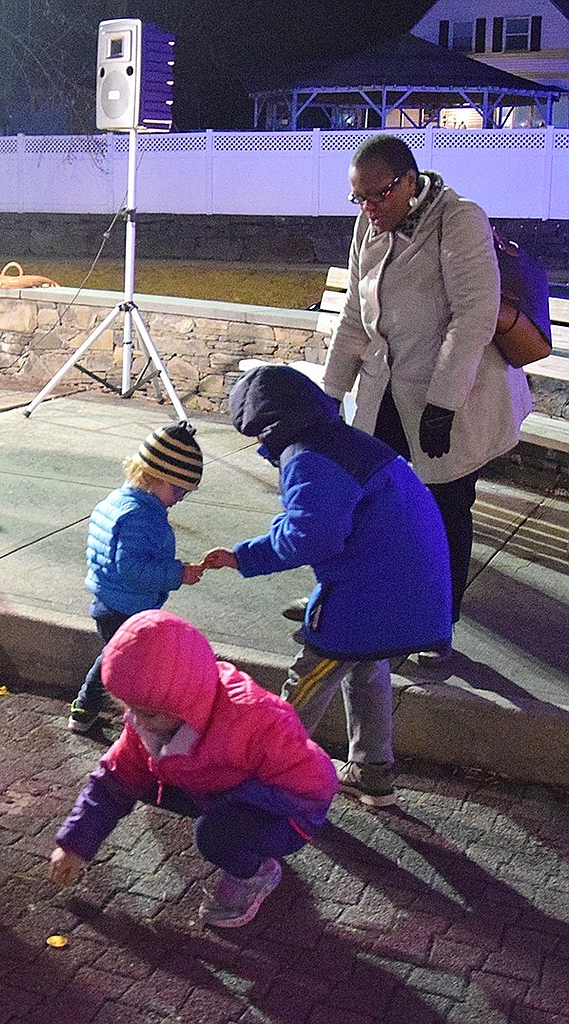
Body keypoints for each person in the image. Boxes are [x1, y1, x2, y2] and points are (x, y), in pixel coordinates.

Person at [321, 133, 531, 666]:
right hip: (386, 389)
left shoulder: (458, 219)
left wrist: (443, 402)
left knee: (444, 511)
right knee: (371, 500)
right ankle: (363, 601)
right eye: (359, 198)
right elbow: (353, 314)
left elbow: (475, 315)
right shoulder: (369, 228)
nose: (369, 208)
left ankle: (439, 623)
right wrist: (329, 393)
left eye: (379, 195)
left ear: (410, 182)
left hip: (451, 394)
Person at [200, 365, 452, 807]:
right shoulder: (346, 443)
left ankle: (270, 774)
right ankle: (372, 773)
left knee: (309, 677)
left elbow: (312, 535)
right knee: (368, 667)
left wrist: (244, 556)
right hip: (412, 591)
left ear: (266, 426)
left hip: (370, 595)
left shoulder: (308, 458)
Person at [50, 610, 339, 928]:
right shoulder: (155, 714)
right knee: (138, 778)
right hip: (219, 787)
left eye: (148, 713)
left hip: (288, 809)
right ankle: (237, 831)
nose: (136, 720)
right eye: (129, 707)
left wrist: (238, 806)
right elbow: (114, 779)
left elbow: (314, 786)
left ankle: (256, 873)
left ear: (187, 702)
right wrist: (75, 844)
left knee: (215, 836)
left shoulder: (254, 718)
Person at [68, 421, 204, 733]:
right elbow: (131, 569)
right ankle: (125, 719)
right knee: (127, 665)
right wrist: (177, 573)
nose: (182, 497)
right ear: (156, 478)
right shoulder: (142, 518)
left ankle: (86, 709)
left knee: (112, 657)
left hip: (109, 598)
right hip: (126, 606)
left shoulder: (121, 501)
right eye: (179, 489)